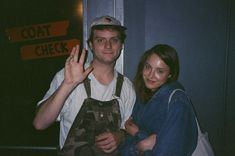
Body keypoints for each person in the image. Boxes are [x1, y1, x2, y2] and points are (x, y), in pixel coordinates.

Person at [33, 15, 136, 156]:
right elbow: (39, 123)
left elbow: (128, 127)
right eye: (100, 40)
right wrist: (68, 84)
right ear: (91, 45)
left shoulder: (127, 86)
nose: (108, 46)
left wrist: (121, 136)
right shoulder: (67, 76)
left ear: (121, 45)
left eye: (114, 40)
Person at [120, 44, 198, 156]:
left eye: (160, 71)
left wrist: (138, 138)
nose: (151, 75)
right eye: (148, 67)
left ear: (170, 74)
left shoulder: (177, 102)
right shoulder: (143, 94)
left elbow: (169, 150)